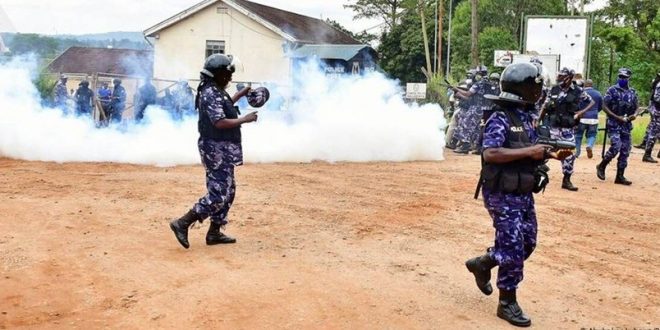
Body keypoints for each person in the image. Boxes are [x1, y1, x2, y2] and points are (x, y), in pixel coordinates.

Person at [465, 62, 572, 327]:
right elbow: (490, 153)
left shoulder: (526, 116)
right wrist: (530, 153)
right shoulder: (500, 116)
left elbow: (532, 148)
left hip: (523, 191)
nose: (539, 91)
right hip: (501, 193)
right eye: (536, 86)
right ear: (525, 88)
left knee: (527, 244)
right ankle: (507, 302)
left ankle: (484, 262)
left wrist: (551, 154)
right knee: (512, 248)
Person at [169, 54, 258, 249]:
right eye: (227, 74)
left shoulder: (216, 90)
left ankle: (215, 232)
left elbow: (223, 106)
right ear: (218, 74)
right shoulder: (210, 92)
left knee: (229, 191)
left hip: (223, 148)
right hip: (216, 149)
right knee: (218, 194)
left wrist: (240, 95)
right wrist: (245, 119)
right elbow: (219, 121)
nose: (230, 78)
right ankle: (182, 223)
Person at [539, 68, 595, 191]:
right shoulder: (554, 89)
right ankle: (536, 175)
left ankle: (566, 180)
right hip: (552, 126)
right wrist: (538, 121)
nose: (558, 78)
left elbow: (591, 102)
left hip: (567, 128)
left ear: (569, 78)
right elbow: (545, 105)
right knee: (543, 151)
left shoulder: (578, 91)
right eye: (558, 75)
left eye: (561, 76)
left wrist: (581, 112)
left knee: (569, 155)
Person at [596, 68, 644, 184]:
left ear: (628, 79)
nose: (622, 79)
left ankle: (620, 176)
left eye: (624, 78)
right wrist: (616, 117)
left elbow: (637, 106)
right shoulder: (612, 90)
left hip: (626, 125)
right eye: (620, 77)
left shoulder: (632, 92)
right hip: (614, 123)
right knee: (616, 146)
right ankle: (602, 165)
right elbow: (604, 106)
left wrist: (635, 115)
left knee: (625, 150)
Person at [453, 65, 490, 154]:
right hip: (487, 109)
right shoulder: (490, 83)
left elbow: (468, 94)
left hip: (476, 108)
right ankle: (478, 148)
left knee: (466, 125)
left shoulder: (479, 84)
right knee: (478, 128)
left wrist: (456, 90)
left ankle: (465, 146)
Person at [575, 79, 603, 158]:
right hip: (594, 118)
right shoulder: (598, 94)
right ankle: (589, 145)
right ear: (592, 85)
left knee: (578, 135)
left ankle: (577, 152)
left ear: (584, 85)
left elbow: (577, 104)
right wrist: (595, 112)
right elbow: (601, 106)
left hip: (582, 117)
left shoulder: (581, 93)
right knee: (592, 134)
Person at [641, 73, 660, 163]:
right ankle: (647, 155)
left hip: (656, 110)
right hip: (657, 111)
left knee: (656, 131)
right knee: (654, 132)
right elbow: (656, 98)